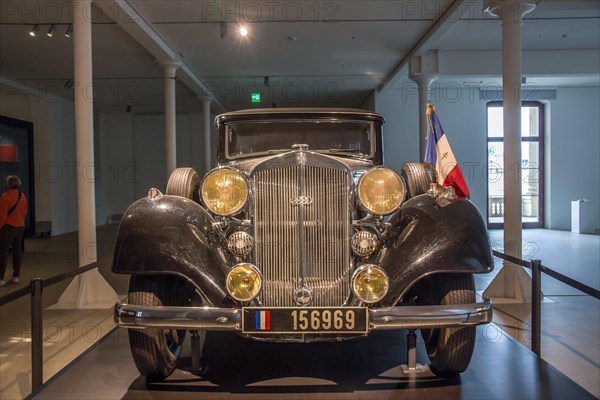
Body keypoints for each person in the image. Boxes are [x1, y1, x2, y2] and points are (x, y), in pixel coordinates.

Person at [0, 175, 28, 287]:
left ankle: (0, 278)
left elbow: (2, 216)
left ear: (8, 184)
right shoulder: (23, 196)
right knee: (17, 251)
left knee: (3, 252)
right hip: (20, 227)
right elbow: (25, 212)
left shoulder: (5, 197)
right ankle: (16, 276)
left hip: (8, 227)